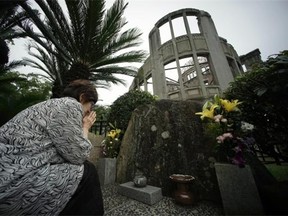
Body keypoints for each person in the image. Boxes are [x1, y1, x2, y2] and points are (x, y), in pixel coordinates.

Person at [0, 79, 104, 215]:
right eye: (91, 105)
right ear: (82, 97)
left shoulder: (51, 105)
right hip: (12, 184)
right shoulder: (70, 105)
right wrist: (85, 126)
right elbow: (79, 155)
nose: (90, 112)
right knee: (88, 171)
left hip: (8, 174)